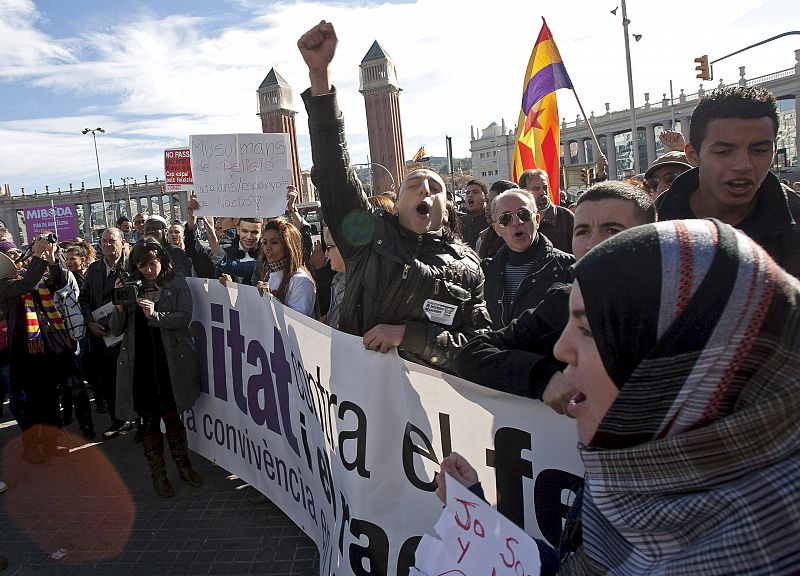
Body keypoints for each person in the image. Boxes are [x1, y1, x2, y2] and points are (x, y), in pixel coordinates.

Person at [443, 217, 800, 575]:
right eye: (583, 229)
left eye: (588, 329)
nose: (563, 348)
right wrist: (475, 509)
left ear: (671, 361)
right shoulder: (630, 475)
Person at [298, 20, 490, 372]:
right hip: (362, 397)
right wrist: (319, 76)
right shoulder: (366, 237)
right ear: (395, 202)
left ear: (446, 211)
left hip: (433, 408)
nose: (425, 190)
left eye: (435, 189)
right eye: (413, 185)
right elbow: (333, 172)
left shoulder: (468, 267)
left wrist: (409, 336)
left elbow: (478, 346)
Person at [455, 182, 655, 414]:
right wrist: (542, 377)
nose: (592, 245)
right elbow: (471, 355)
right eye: (582, 231)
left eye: (611, 230)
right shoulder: (562, 301)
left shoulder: (683, 308)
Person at [657, 85, 800, 277]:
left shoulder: (796, 218)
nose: (743, 165)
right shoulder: (654, 219)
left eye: (758, 150)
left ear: (773, 152)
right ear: (692, 155)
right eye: (723, 152)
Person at [110, 239, 202, 497]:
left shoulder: (176, 282)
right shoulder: (130, 286)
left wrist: (155, 315)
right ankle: (158, 474)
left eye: (152, 264)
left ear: (161, 260)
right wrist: (119, 305)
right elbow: (115, 330)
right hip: (140, 364)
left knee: (173, 418)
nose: (149, 270)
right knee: (150, 422)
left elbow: (185, 317)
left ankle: (184, 467)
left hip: (171, 362)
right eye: (142, 266)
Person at [0, 236, 72, 463]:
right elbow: (26, 284)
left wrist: (51, 260)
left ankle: (51, 440)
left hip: (46, 344)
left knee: (50, 395)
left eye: (15, 254)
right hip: (24, 348)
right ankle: (30, 445)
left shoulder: (31, 275)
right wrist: (38, 256)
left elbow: (58, 283)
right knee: (31, 400)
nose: (15, 258)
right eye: (10, 255)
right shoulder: (4, 283)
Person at [482, 189, 574, 328]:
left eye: (523, 214)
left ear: (537, 220)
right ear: (497, 229)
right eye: (505, 218)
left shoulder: (567, 267)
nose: (516, 222)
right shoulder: (486, 272)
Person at [78, 228, 130, 437]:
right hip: (101, 336)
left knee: (132, 379)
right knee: (109, 382)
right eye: (104, 241)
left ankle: (140, 421)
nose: (108, 245)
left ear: (121, 242)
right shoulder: (94, 269)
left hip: (126, 334)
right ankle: (117, 421)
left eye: (112, 241)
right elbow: (83, 299)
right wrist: (90, 321)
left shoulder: (131, 266)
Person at [247, 219, 316, 317]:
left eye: (274, 243)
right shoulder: (267, 272)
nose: (267, 247)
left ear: (289, 246)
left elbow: (298, 323)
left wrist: (270, 300)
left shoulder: (301, 281)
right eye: (265, 242)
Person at [518, 169, 574, 253]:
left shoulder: (566, 217)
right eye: (536, 189)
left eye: (545, 187)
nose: (543, 192)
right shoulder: (518, 219)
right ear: (524, 192)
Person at [476, 179, 516, 259]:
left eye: (494, 202)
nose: (488, 207)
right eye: (487, 202)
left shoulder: (520, 237)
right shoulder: (482, 238)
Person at [459, 179, 489, 250]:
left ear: (485, 197)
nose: (470, 195)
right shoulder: (459, 222)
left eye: (475, 192)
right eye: (467, 193)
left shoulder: (492, 221)